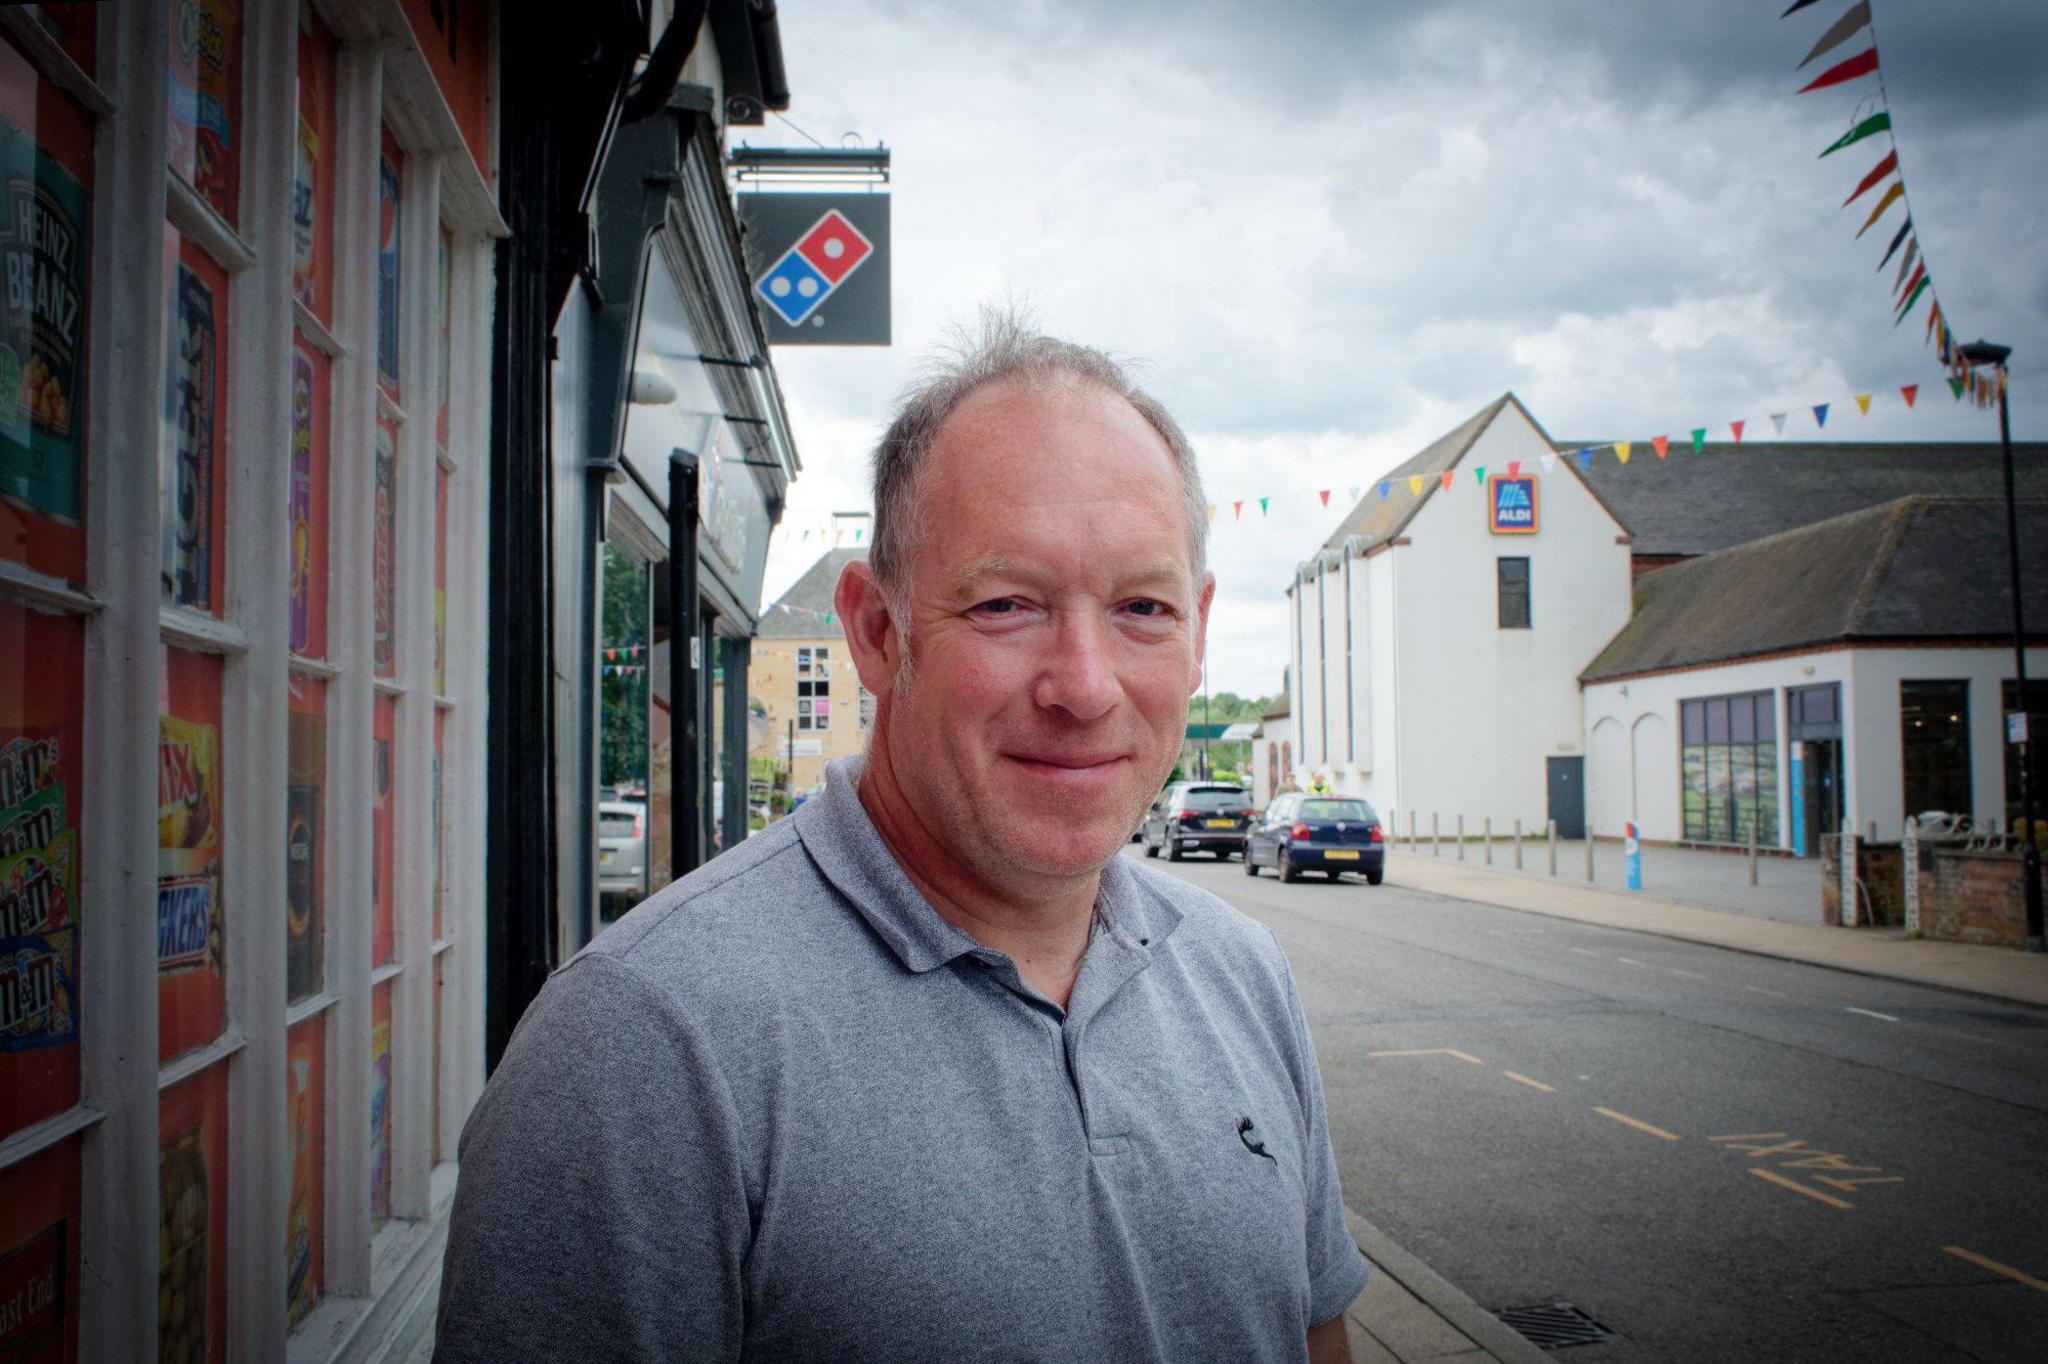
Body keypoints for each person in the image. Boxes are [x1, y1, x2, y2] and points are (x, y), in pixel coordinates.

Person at [434, 315, 1369, 1362]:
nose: (1085, 685)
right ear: (876, 631)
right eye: (1008, 603)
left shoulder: (1241, 974)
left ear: (1197, 630)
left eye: (1141, 607)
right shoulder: (639, 1043)